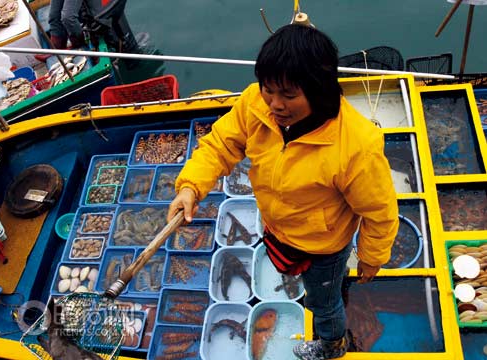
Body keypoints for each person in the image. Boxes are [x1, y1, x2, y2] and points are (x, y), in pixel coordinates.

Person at [167, 23, 399, 360]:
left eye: (289, 95)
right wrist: (190, 186)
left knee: (324, 301)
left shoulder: (356, 147)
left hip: (324, 246)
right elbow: (219, 146)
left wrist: (372, 257)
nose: (275, 104)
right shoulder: (254, 103)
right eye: (269, 90)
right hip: (279, 226)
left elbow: (379, 211)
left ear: (318, 90)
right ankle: (333, 288)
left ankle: (332, 343)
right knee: (319, 285)